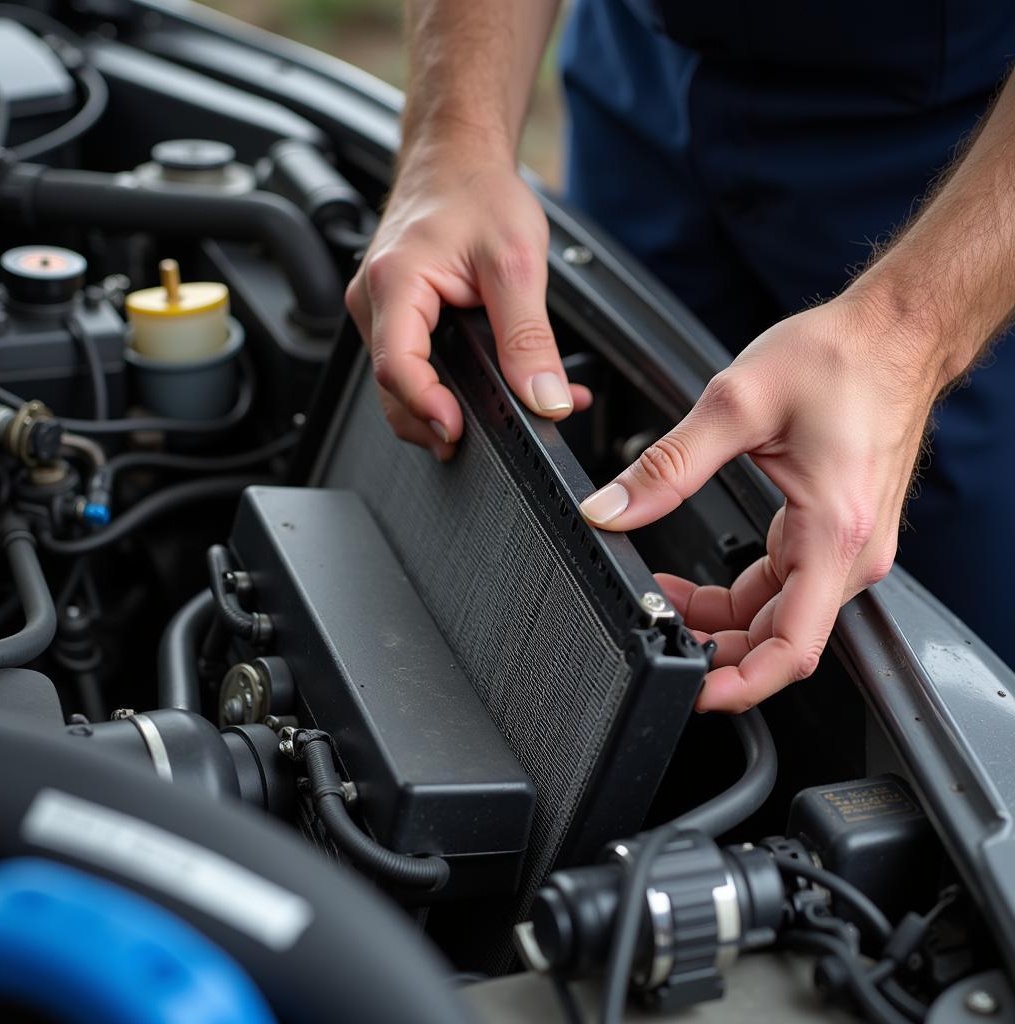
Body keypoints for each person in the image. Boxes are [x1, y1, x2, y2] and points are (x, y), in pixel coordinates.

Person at [345, 1, 1015, 713]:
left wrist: (911, 334)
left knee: (950, 670)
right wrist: (451, 144)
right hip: (642, 77)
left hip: (957, 160)